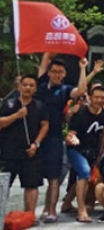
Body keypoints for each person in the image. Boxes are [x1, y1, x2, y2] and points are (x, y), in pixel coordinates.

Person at [36, 54, 89, 223]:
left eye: (60, 72)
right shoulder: (40, 86)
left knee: (54, 177)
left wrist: (83, 69)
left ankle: (51, 211)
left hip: (54, 137)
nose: (56, 74)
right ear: (49, 72)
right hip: (36, 135)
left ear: (64, 74)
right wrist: (48, 52)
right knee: (32, 177)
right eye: (54, 71)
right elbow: (43, 63)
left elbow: (80, 91)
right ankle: (31, 211)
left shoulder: (65, 90)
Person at [0, 74, 49, 214]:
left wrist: (36, 143)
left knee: (32, 184)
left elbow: (45, 125)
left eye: (31, 85)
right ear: (19, 86)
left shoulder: (40, 106)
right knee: (4, 185)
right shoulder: (9, 104)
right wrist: (16, 116)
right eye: (25, 85)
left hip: (30, 151)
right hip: (9, 152)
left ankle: (29, 215)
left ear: (35, 88)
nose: (28, 88)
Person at [66, 85, 104, 222]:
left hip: (93, 150)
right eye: (96, 97)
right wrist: (72, 139)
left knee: (85, 175)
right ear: (90, 98)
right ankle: (81, 211)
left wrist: (100, 152)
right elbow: (70, 134)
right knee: (85, 172)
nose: (99, 100)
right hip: (76, 149)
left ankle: (66, 203)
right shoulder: (80, 113)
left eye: (102, 98)